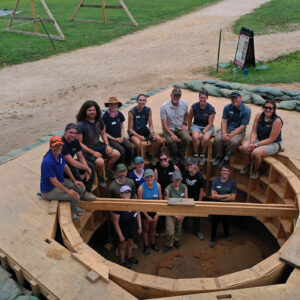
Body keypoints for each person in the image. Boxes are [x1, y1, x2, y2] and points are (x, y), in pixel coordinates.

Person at [40, 136, 86, 222]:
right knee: (74, 196)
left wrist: (74, 180)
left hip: (60, 181)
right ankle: (73, 213)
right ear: (50, 147)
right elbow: (54, 182)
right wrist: (68, 191)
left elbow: (66, 167)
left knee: (80, 188)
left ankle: (75, 206)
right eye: (55, 146)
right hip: (49, 189)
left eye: (60, 145)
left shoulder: (59, 154)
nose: (58, 148)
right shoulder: (47, 162)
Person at [76, 100, 120, 179]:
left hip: (98, 144)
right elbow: (79, 143)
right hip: (86, 149)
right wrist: (93, 153)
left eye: (93, 110)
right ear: (85, 111)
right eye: (89, 110)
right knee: (100, 162)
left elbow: (103, 133)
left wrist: (107, 145)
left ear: (96, 111)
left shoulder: (99, 121)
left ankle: (107, 170)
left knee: (116, 154)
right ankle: (100, 177)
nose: (92, 112)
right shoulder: (80, 124)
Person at [239, 100, 283, 180]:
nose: (268, 110)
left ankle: (257, 170)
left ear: (274, 109)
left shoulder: (277, 121)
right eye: (266, 107)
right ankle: (247, 165)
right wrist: (252, 142)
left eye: (270, 108)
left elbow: (271, 139)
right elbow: (254, 131)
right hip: (259, 139)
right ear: (263, 108)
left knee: (255, 153)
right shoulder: (259, 115)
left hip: (273, 143)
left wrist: (256, 145)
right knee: (244, 147)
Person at [212, 91, 251, 168]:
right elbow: (224, 121)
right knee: (217, 138)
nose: (234, 100)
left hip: (239, 130)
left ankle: (226, 158)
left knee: (234, 141)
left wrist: (231, 135)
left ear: (240, 98)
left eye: (236, 98)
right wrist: (223, 133)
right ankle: (219, 157)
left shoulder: (247, 110)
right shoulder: (227, 107)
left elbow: (243, 126)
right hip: (227, 128)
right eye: (232, 98)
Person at [62, 123, 97, 201]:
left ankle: (88, 190)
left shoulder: (75, 141)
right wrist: (86, 169)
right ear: (65, 132)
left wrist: (87, 168)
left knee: (90, 165)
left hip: (69, 162)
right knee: (74, 169)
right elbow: (72, 162)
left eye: (75, 133)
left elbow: (81, 157)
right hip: (61, 167)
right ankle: (83, 192)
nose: (73, 135)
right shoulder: (62, 144)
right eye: (71, 132)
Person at [112, 185, 142, 269]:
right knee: (122, 246)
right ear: (121, 194)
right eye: (124, 193)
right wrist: (120, 235)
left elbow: (138, 213)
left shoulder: (134, 203)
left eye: (128, 192)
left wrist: (140, 227)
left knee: (130, 244)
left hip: (132, 228)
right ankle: (122, 261)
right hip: (122, 230)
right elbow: (116, 223)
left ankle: (129, 257)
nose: (127, 194)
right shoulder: (118, 207)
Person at [128, 94, 161, 166]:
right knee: (138, 143)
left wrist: (152, 133)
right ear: (137, 101)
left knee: (158, 139)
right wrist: (139, 136)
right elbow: (130, 129)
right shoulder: (131, 112)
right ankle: (139, 157)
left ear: (146, 101)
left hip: (144, 129)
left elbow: (151, 124)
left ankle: (150, 154)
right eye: (140, 100)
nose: (142, 102)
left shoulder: (148, 110)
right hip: (134, 131)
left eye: (144, 100)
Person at [209, 165, 237, 248]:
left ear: (229, 172)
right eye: (223, 170)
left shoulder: (233, 182)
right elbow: (213, 196)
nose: (225, 172)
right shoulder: (215, 180)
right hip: (216, 205)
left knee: (226, 221)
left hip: (227, 206)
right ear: (220, 172)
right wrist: (226, 196)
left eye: (227, 171)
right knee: (214, 222)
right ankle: (213, 239)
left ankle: (226, 234)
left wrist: (219, 197)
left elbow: (233, 197)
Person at [102, 97, 134, 166]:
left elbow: (122, 127)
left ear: (117, 105)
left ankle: (128, 164)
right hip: (111, 139)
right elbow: (104, 132)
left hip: (120, 137)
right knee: (121, 150)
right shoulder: (104, 117)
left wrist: (122, 137)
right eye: (111, 104)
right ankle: (120, 167)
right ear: (109, 105)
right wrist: (115, 139)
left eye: (115, 104)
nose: (113, 106)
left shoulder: (120, 114)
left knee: (130, 147)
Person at [160, 88, 189, 164]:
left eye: (178, 96)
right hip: (168, 127)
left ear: (180, 96)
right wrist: (172, 134)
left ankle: (181, 153)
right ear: (171, 95)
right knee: (170, 140)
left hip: (180, 126)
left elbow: (186, 114)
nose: (176, 97)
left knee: (186, 138)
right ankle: (175, 153)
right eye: (174, 95)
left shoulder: (184, 103)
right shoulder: (164, 106)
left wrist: (185, 123)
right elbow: (164, 123)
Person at [137, 169, 162, 256]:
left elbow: (161, 201)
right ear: (144, 178)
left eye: (151, 176)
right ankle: (146, 245)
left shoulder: (158, 185)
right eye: (147, 177)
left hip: (155, 212)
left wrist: (157, 214)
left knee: (153, 229)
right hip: (145, 212)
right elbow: (140, 205)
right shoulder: (141, 188)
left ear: (154, 177)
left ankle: (153, 243)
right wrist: (147, 216)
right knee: (146, 230)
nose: (149, 178)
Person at [188, 90, 216, 165]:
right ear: (199, 98)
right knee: (195, 137)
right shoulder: (194, 107)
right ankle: (196, 154)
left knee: (205, 138)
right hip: (196, 125)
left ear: (207, 98)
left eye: (204, 98)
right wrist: (189, 130)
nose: (202, 99)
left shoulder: (211, 109)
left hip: (207, 126)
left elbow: (210, 124)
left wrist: (203, 132)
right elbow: (190, 119)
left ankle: (203, 154)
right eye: (201, 98)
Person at [163, 170, 187, 253]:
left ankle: (176, 241)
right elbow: (166, 205)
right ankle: (169, 244)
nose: (177, 181)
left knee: (178, 228)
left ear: (181, 179)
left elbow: (186, 202)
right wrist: (175, 215)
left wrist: (181, 214)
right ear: (172, 179)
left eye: (179, 179)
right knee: (170, 231)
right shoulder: (168, 189)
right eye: (175, 179)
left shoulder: (184, 187)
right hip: (170, 212)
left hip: (181, 211)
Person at [183, 158, 205, 240]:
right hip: (187, 197)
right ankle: (184, 228)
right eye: (187, 165)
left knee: (196, 216)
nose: (189, 166)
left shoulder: (199, 176)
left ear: (195, 165)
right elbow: (183, 186)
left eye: (190, 164)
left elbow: (201, 190)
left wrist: (199, 202)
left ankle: (197, 231)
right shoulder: (185, 173)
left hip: (196, 198)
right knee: (184, 214)